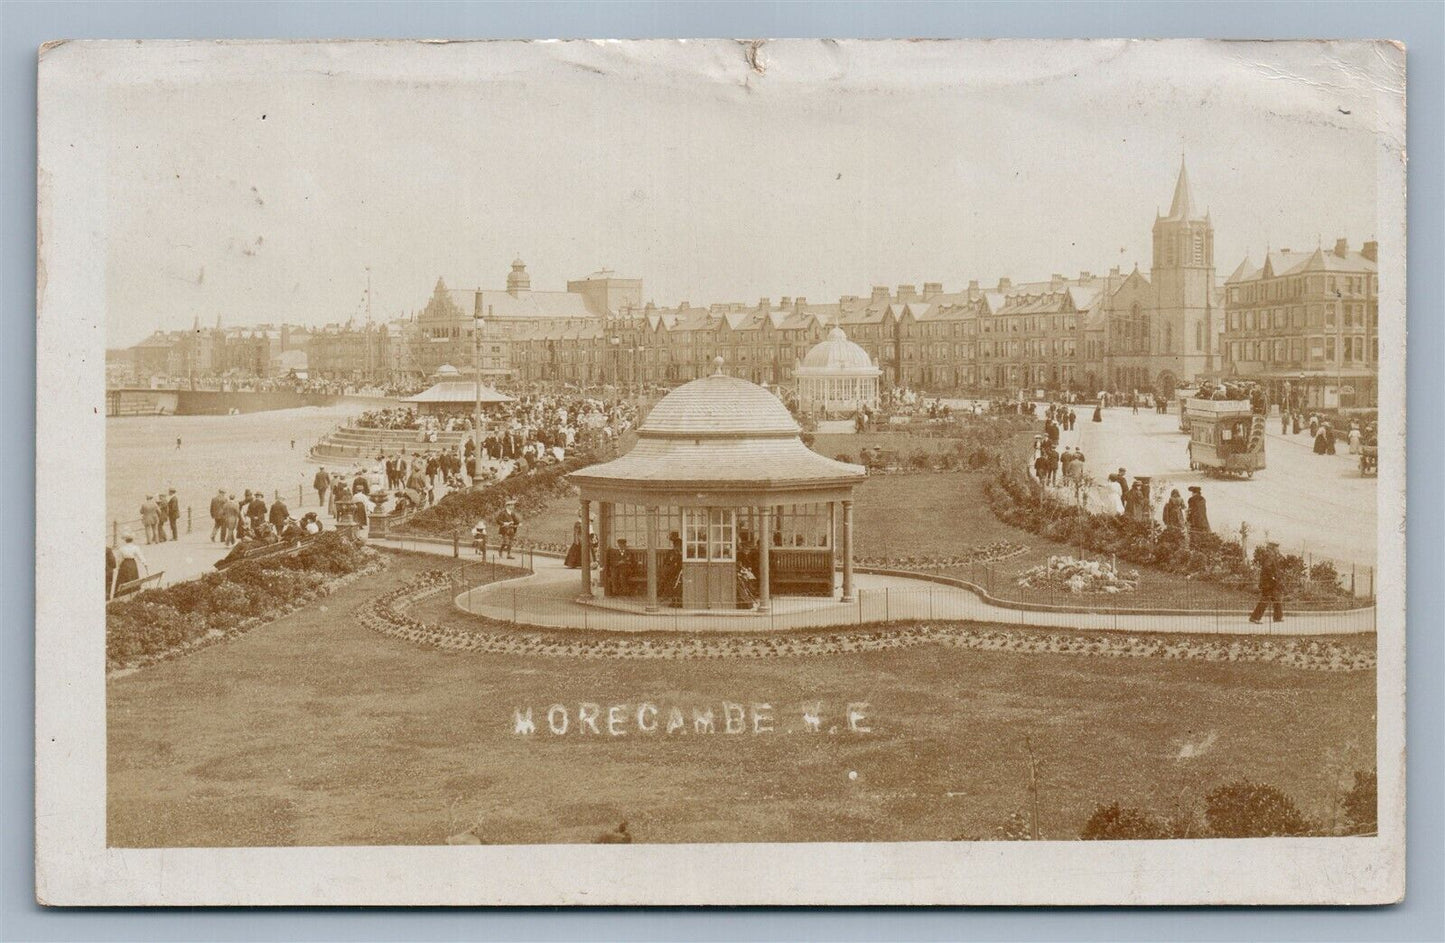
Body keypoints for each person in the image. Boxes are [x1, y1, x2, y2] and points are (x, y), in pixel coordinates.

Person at [1249, 543, 1284, 624]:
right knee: (1265, 600)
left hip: (1271, 583)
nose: (1277, 548)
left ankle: (1278, 617)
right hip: (1268, 583)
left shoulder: (1271, 555)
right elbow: (1267, 567)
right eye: (1276, 547)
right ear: (1272, 547)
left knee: (1277, 598)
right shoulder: (1270, 555)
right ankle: (1254, 618)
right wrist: (1273, 577)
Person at [110, 533, 147, 598]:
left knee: (124, 578)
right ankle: (134, 591)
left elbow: (119, 559)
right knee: (133, 576)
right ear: (132, 540)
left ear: (125, 540)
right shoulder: (135, 547)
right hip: (132, 563)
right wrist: (144, 563)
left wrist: (118, 567)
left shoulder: (122, 548)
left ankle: (124, 592)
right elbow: (140, 556)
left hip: (125, 563)